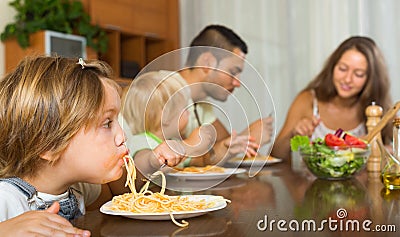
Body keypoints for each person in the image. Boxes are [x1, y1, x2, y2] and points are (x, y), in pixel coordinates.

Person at [0, 56, 184, 236]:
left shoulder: (79, 187)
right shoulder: (7, 199)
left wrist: (153, 161)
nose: (122, 136)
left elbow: (124, 188)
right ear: (48, 144)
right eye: (107, 124)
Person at [271, 36, 393, 159]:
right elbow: (275, 154)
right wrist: (293, 134)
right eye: (342, 69)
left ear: (371, 80)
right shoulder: (308, 100)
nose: (347, 79)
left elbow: (393, 149)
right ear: (332, 67)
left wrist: (387, 150)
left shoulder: (377, 108)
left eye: (358, 74)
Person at [172, 24, 274, 160]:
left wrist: (245, 140)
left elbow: (222, 144)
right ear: (207, 62)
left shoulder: (201, 103)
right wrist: (247, 137)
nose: (237, 83)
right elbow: (179, 162)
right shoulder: (164, 93)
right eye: (232, 72)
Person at [121, 71, 219, 177]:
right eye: (185, 108)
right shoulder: (141, 141)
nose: (189, 113)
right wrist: (189, 145)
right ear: (166, 116)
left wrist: (226, 149)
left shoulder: (174, 141)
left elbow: (198, 164)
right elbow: (142, 164)